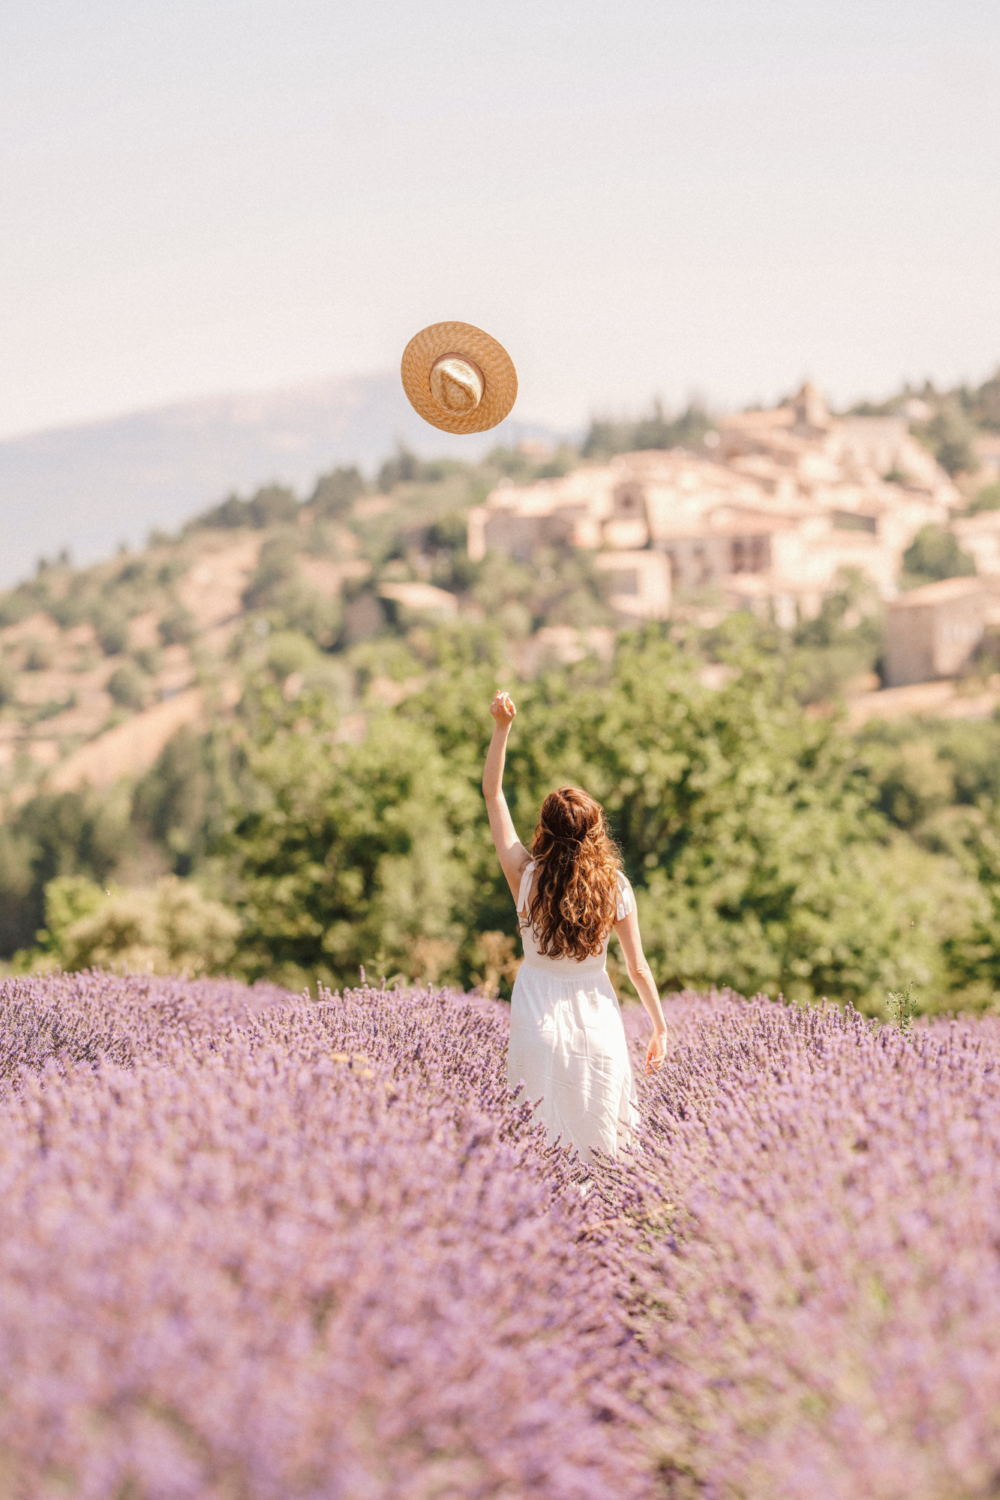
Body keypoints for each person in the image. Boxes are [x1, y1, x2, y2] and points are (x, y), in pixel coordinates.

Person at [483, 689, 668, 1162]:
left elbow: (492, 794)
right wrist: (660, 1028)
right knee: (604, 1139)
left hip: (536, 1018)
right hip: (596, 1021)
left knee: (537, 1143)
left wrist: (502, 729)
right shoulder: (615, 887)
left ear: (544, 829)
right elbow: (638, 968)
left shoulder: (525, 876)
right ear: (595, 833)